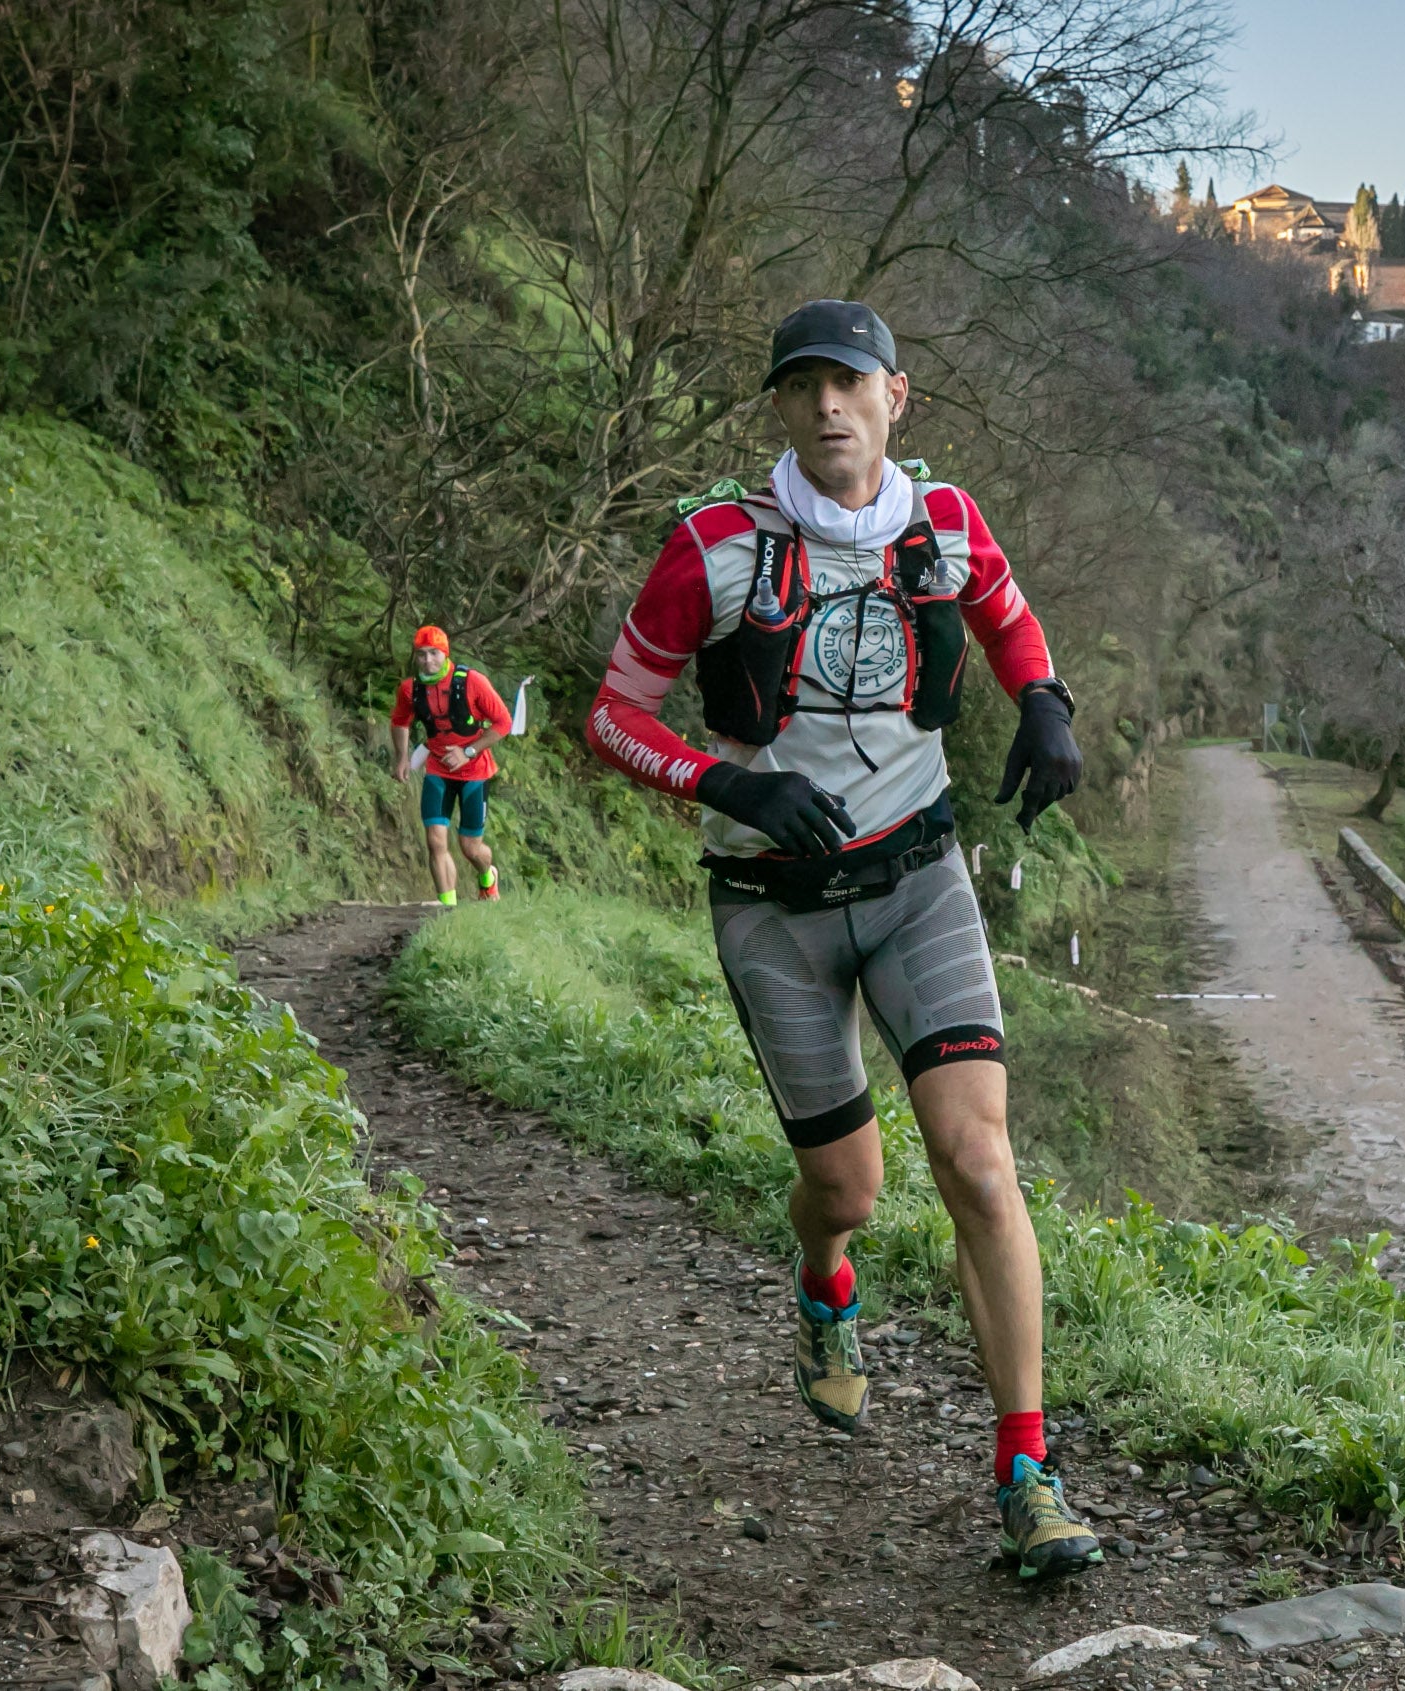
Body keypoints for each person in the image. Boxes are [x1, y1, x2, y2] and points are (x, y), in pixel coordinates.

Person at [584, 299, 1094, 1579]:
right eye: (802, 385)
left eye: (849, 382)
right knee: (850, 1189)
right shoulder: (712, 547)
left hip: (920, 877)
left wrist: (1044, 701)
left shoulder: (947, 522)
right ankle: (824, 1276)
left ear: (893, 397)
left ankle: (1027, 1474)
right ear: (778, 406)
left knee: (978, 1161)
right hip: (773, 904)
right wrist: (727, 783)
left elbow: (1007, 615)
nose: (827, 405)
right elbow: (610, 715)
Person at [390, 626, 512, 907]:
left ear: (445, 654)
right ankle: (447, 907)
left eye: (434, 653)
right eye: (421, 655)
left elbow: (503, 723)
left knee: (470, 847)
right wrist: (402, 758)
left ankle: (488, 877)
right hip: (438, 771)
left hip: (475, 772)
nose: (428, 661)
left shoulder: (473, 682)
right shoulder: (410, 689)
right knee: (435, 840)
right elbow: (400, 721)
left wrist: (468, 752)